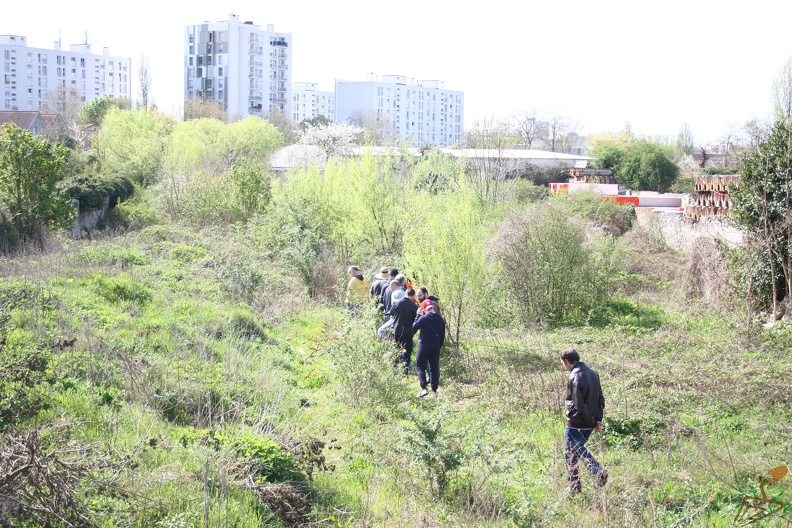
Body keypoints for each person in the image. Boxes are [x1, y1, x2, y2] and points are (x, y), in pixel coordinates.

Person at [561, 347, 608, 494]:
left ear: (566, 361)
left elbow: (578, 403)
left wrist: (591, 421)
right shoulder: (594, 373)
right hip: (589, 422)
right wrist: (597, 420)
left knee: (571, 451)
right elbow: (601, 399)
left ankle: (596, 471)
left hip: (577, 422)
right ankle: (575, 487)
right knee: (573, 451)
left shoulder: (574, 376)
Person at [412, 299, 446, 397]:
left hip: (424, 346)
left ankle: (424, 388)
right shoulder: (440, 319)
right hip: (435, 346)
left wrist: (418, 315)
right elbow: (442, 336)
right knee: (434, 369)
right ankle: (434, 391)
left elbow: (413, 328)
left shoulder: (424, 318)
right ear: (432, 307)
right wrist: (438, 346)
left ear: (424, 308)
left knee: (421, 367)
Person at [391, 288, 418, 373]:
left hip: (396, 331)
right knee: (407, 353)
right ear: (413, 296)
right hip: (408, 332)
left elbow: (392, 313)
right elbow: (416, 319)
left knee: (396, 351)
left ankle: (394, 370)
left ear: (405, 293)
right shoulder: (414, 306)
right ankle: (404, 372)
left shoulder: (396, 303)